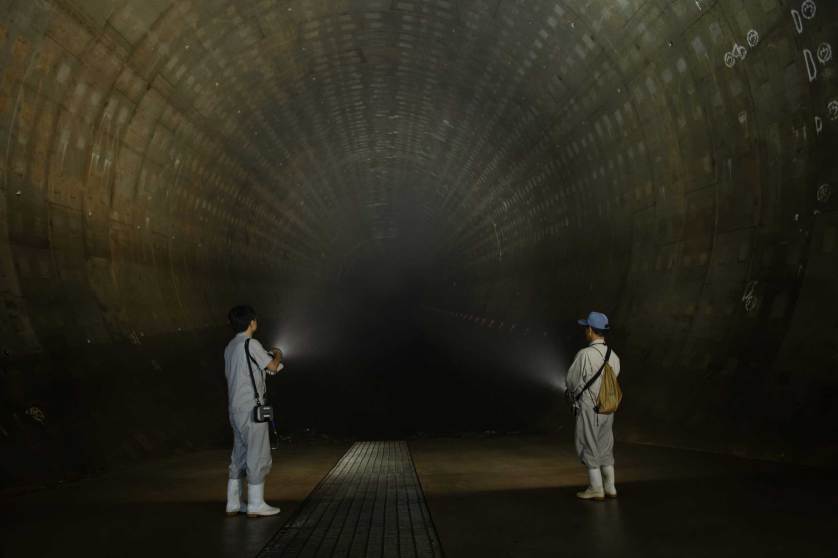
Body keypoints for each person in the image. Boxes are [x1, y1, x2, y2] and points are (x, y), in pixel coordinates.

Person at [224, 305, 284, 517]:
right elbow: (273, 366)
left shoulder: (230, 346)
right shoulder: (251, 344)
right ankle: (256, 504)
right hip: (251, 409)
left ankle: (233, 503)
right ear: (251, 323)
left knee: (239, 455)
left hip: (235, 409)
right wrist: (278, 354)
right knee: (257, 455)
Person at [566, 311, 621, 501]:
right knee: (605, 446)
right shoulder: (614, 355)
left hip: (590, 408)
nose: (585, 331)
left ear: (590, 330)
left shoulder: (585, 354)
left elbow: (571, 381)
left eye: (586, 328)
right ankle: (610, 487)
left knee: (588, 444)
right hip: (608, 407)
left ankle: (596, 488)